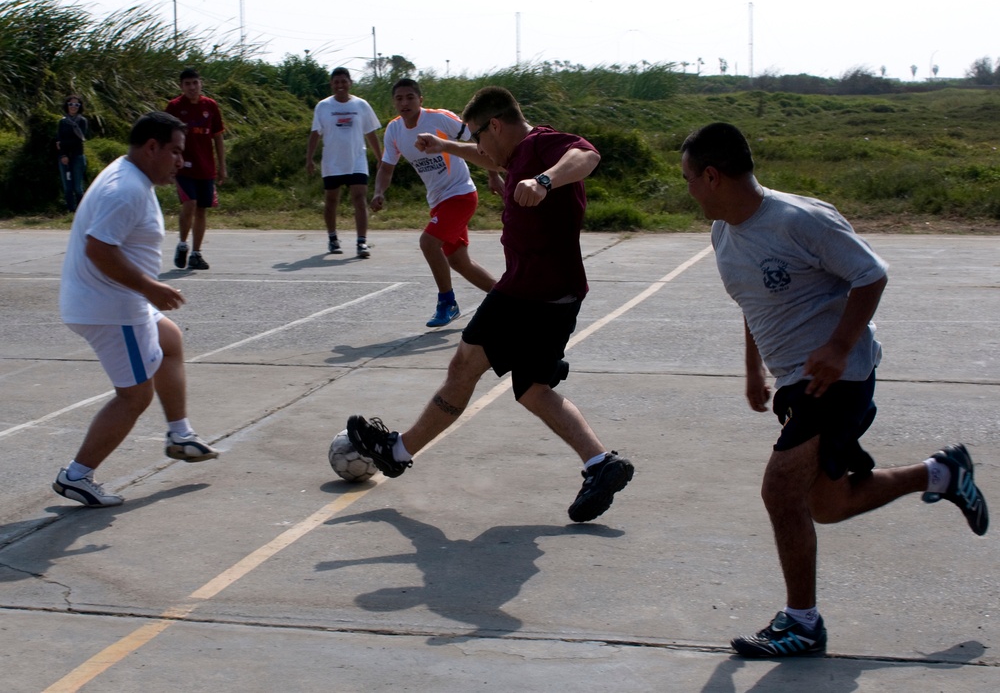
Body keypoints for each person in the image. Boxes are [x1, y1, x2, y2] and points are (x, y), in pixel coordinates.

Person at [680, 121, 989, 657]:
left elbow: (871, 274)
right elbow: (755, 304)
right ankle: (941, 472)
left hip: (836, 377)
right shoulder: (724, 231)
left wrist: (841, 345)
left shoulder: (798, 220)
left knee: (780, 490)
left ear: (712, 176)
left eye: (688, 178)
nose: (685, 189)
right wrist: (754, 369)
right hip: (794, 381)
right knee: (824, 504)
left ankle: (801, 624)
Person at [347, 86, 634, 523]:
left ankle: (397, 451)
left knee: (463, 367)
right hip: (562, 293)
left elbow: (588, 156)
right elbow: (486, 157)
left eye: (479, 135)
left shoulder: (541, 145)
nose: (479, 145)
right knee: (534, 389)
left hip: (525, 292)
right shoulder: (516, 154)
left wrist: (543, 181)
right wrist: (446, 146)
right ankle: (600, 464)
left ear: (495, 125)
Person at [54, 112, 220, 508]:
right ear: (151, 148)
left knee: (170, 339)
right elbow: (99, 249)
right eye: (175, 152)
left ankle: (179, 434)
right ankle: (76, 475)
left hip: (114, 301)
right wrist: (149, 287)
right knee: (134, 396)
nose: (181, 161)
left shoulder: (130, 176)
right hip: (112, 307)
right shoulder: (125, 189)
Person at [371, 78, 498, 327]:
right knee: (459, 261)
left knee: (428, 242)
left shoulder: (439, 119)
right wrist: (378, 192)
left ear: (421, 100)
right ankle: (509, 301)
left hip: (461, 194)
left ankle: (447, 302)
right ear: (394, 102)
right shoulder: (394, 131)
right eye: (399, 98)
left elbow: (479, 140)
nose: (405, 102)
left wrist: (494, 174)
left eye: (410, 97)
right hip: (438, 200)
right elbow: (386, 167)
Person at [306, 67, 382, 258]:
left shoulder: (361, 105)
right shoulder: (323, 106)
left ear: (350, 83)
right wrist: (309, 159)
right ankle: (333, 239)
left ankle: (361, 243)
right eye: (336, 82)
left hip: (357, 160)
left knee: (359, 199)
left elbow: (370, 133)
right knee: (332, 200)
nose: (340, 85)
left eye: (343, 81)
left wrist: (381, 158)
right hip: (332, 162)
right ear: (331, 84)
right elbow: (315, 133)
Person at [165, 67, 227, 270]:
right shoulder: (174, 107)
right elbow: (166, 137)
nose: (192, 87)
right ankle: (182, 244)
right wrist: (169, 162)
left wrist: (222, 166)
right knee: (189, 203)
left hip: (205, 166)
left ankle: (196, 253)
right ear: (181, 86)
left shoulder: (210, 106)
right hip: (183, 167)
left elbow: (218, 137)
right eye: (187, 84)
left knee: (201, 209)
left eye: (195, 83)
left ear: (201, 83)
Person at [56, 94, 89, 211]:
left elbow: (78, 140)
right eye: (71, 104)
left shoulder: (82, 121)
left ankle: (81, 210)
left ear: (79, 106)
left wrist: (63, 144)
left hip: (77, 156)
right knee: (67, 187)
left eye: (76, 104)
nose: (73, 107)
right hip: (64, 157)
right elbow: (59, 138)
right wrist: (64, 154)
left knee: (78, 187)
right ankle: (70, 210)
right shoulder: (63, 122)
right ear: (67, 105)